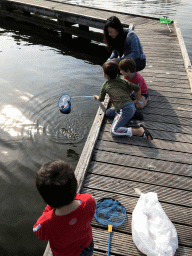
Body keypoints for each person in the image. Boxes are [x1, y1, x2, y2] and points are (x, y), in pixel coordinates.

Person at [33, 159, 96, 256]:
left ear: (45, 200)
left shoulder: (46, 222)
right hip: (86, 248)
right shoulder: (89, 201)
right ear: (76, 185)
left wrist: (48, 208)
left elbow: (38, 232)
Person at [94, 61, 153, 140]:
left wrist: (96, 97)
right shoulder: (123, 80)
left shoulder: (105, 85)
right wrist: (137, 100)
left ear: (106, 75)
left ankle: (140, 131)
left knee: (114, 131)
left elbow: (101, 99)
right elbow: (137, 88)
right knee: (108, 113)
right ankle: (132, 114)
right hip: (130, 105)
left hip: (125, 109)